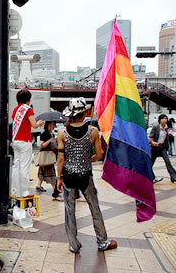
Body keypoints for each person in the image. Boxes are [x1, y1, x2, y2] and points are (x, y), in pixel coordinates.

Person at [57, 97, 117, 253]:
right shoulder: (93, 131)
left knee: (69, 210)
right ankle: (102, 241)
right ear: (84, 114)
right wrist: (86, 159)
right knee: (94, 208)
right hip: (86, 176)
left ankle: (74, 244)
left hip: (68, 176)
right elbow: (98, 155)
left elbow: (61, 159)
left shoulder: (62, 132)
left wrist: (58, 178)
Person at [11, 89, 45, 198]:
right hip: (25, 141)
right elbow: (34, 125)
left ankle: (16, 191)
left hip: (15, 141)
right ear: (28, 100)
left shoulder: (16, 110)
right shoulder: (28, 109)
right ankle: (24, 192)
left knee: (16, 166)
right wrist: (40, 123)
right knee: (24, 168)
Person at [36, 121, 63, 201]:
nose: (53, 127)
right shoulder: (44, 134)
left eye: (54, 125)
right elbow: (41, 146)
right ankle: (56, 193)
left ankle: (38, 185)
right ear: (47, 125)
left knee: (42, 172)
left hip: (48, 158)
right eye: (52, 125)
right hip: (46, 157)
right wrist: (49, 140)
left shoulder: (51, 134)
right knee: (51, 176)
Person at [148, 114, 176, 183]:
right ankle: (149, 177)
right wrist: (153, 142)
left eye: (166, 118)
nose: (165, 120)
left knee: (168, 162)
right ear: (160, 120)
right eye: (163, 118)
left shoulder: (166, 128)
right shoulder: (156, 127)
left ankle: (174, 177)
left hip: (162, 147)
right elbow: (151, 136)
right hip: (154, 148)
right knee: (150, 163)